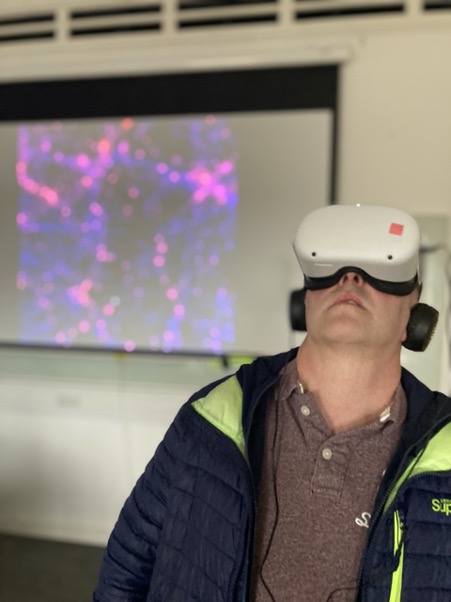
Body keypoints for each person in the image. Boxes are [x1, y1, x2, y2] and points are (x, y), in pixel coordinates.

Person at [92, 204, 451, 602]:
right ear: (305, 301)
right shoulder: (211, 418)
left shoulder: (445, 453)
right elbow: (128, 566)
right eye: (332, 269)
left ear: (415, 314)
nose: (350, 279)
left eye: (379, 271)